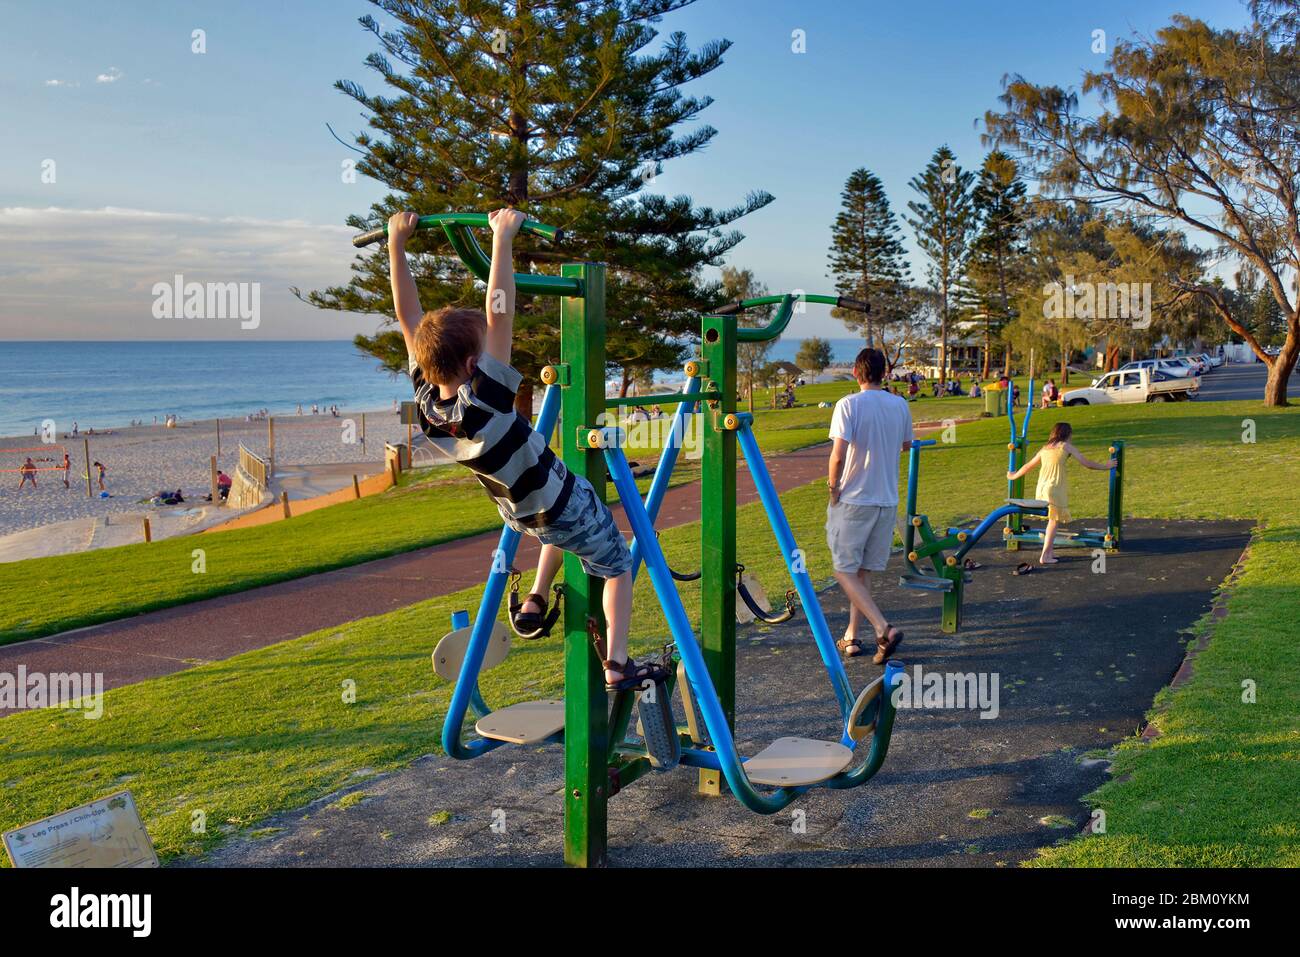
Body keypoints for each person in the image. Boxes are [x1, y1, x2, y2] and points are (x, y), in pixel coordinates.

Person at [387, 208, 663, 691]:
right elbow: (499, 308)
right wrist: (503, 238)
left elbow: (407, 316)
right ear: (475, 363)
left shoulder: (428, 401)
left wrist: (396, 244)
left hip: (517, 512)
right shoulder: (486, 395)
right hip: (559, 502)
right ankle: (617, 663)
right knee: (618, 565)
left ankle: (536, 596)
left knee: (558, 535)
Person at [826, 348, 912, 665]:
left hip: (854, 499)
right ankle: (851, 636)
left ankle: (883, 628)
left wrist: (833, 488)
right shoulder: (900, 404)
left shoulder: (848, 405)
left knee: (842, 569)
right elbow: (906, 445)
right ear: (885, 372)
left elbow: (837, 454)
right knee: (862, 572)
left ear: (855, 373)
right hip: (886, 499)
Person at [1007, 422, 1116, 566]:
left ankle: (1049, 552)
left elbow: (1028, 466)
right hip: (1055, 488)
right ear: (1067, 434)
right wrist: (1106, 466)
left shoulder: (1045, 449)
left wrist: (1013, 476)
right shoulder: (1065, 446)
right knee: (1053, 521)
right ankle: (1045, 555)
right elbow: (1086, 463)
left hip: (1042, 487)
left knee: (1052, 520)